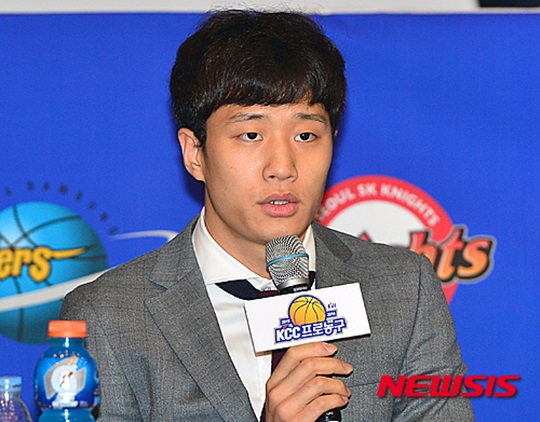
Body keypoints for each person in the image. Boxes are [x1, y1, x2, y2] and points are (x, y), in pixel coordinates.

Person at [60, 10, 474, 421]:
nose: (282, 167)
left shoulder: (403, 290)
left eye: (306, 135)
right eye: (251, 135)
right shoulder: (109, 315)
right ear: (195, 153)